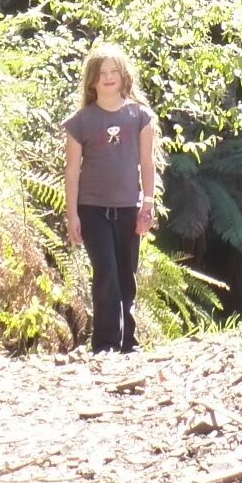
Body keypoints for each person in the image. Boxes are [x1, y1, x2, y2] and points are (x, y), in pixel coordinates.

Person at [63, 47, 157, 353]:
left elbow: (147, 161)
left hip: (129, 206)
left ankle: (128, 343)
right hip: (91, 209)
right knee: (105, 270)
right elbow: (72, 171)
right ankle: (105, 345)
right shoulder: (80, 121)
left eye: (113, 72)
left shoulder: (139, 116)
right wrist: (72, 214)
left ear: (123, 76)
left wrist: (149, 202)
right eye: (101, 74)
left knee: (126, 274)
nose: (107, 79)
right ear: (91, 81)